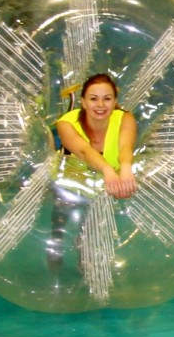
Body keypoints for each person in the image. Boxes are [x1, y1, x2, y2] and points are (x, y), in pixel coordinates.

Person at [48, 73, 138, 271]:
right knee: (62, 214)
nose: (100, 105)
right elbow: (84, 151)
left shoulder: (125, 118)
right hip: (71, 177)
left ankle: (86, 258)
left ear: (115, 101)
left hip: (106, 177)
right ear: (83, 102)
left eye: (107, 99)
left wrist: (125, 168)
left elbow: (125, 146)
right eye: (93, 98)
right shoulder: (66, 123)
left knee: (91, 220)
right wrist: (107, 169)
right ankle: (56, 243)